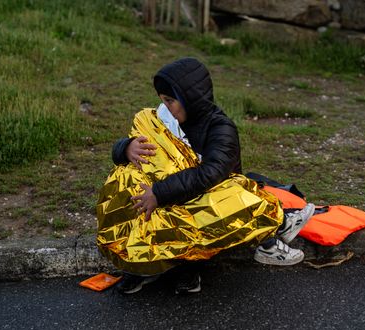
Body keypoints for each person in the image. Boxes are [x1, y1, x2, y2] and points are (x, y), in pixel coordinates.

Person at [100, 57, 314, 295]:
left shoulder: (220, 129)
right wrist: (126, 148)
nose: (166, 108)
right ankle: (141, 266)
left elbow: (209, 174)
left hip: (209, 197)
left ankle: (191, 263)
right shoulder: (165, 121)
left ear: (189, 98)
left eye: (171, 101)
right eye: (163, 101)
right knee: (124, 175)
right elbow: (137, 155)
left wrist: (159, 193)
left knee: (203, 210)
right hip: (172, 194)